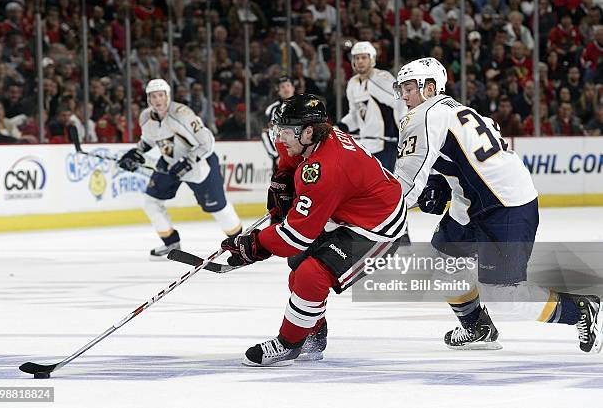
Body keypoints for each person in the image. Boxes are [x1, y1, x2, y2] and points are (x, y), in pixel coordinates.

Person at [392, 57, 603, 353]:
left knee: (504, 295)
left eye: (411, 87)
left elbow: (407, 183)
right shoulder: (457, 110)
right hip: (476, 200)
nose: (405, 96)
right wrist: (439, 187)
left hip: (505, 205)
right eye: (402, 88)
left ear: (430, 87)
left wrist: (374, 214)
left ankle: (579, 309)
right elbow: (466, 162)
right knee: (445, 262)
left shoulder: (424, 116)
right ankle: (477, 327)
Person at [220, 94, 407, 366]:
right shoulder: (309, 141)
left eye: (285, 130)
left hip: (377, 226)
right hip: (347, 212)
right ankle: (312, 333)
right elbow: (287, 157)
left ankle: (289, 344)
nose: (280, 137)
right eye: (279, 128)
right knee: (298, 266)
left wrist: (255, 245)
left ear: (307, 131)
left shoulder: (326, 167)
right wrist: (283, 179)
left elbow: (295, 237)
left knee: (312, 273)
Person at [117, 79, 242, 260]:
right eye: (153, 96)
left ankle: (240, 244)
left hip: (199, 164)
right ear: (148, 99)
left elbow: (207, 143)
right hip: (169, 164)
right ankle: (171, 242)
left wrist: (188, 161)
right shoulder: (146, 117)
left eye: (161, 95)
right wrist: (136, 152)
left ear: (167, 96)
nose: (158, 99)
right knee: (151, 201)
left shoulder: (181, 114)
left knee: (218, 208)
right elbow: (150, 139)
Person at [339, 41, 406, 172]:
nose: (360, 61)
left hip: (386, 144)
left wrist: (404, 130)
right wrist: (339, 127)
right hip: (365, 146)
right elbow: (355, 115)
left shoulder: (382, 77)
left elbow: (401, 101)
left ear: (372, 59)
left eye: (364, 57)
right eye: (356, 58)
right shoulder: (352, 83)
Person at [261, 76, 295, 172]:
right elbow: (266, 133)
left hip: (300, 157)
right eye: (282, 87)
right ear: (278, 91)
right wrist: (277, 156)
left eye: (288, 85)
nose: (286, 89)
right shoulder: (272, 109)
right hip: (282, 158)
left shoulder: (303, 106)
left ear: (293, 88)